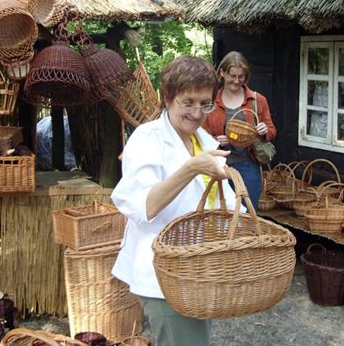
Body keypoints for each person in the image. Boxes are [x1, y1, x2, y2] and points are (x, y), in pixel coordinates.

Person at [111, 56, 240, 346]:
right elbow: (144, 206)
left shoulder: (204, 141)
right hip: (163, 274)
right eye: (188, 102)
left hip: (197, 271)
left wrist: (243, 222)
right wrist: (191, 168)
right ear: (168, 98)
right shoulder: (147, 139)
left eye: (205, 103)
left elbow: (225, 202)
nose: (197, 113)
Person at [203, 51, 277, 210]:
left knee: (247, 213)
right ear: (222, 73)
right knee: (218, 212)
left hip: (247, 165)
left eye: (241, 77)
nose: (236, 81)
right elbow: (200, 134)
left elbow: (271, 131)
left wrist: (264, 131)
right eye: (232, 76)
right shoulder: (211, 100)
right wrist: (215, 140)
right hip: (219, 165)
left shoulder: (257, 100)